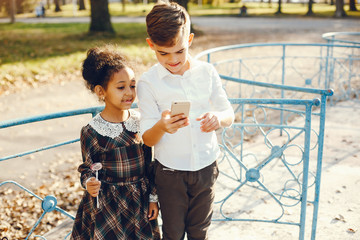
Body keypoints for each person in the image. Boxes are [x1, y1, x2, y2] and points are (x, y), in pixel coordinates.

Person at [137, 2, 235, 239]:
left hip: (206, 167)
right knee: (173, 233)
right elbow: (147, 139)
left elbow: (228, 113)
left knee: (200, 232)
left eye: (179, 51)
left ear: (189, 40)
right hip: (170, 173)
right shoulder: (148, 83)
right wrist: (162, 126)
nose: (172, 60)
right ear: (151, 45)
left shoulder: (207, 72)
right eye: (163, 53)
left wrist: (217, 118)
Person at [70, 46, 161, 240]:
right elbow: (86, 168)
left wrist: (153, 199)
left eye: (132, 85)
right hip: (108, 207)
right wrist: (89, 183)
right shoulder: (92, 131)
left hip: (140, 203)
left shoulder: (141, 123)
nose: (129, 92)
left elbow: (150, 165)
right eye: (121, 87)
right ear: (101, 91)